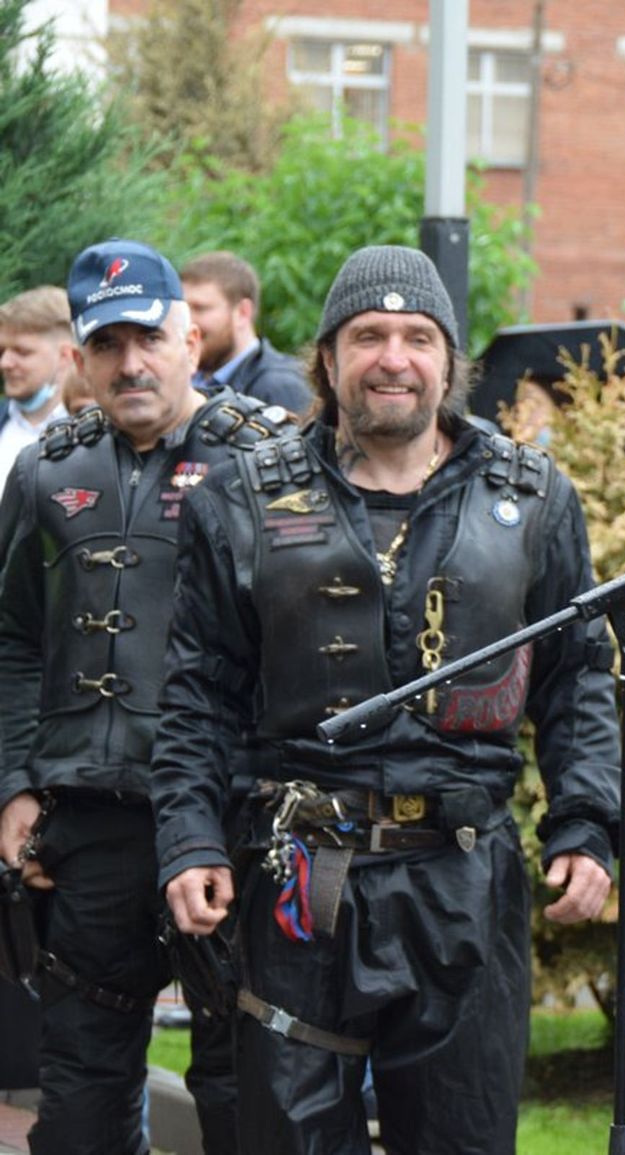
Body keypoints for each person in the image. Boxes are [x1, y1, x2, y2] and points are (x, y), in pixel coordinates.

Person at [151, 245, 621, 1152]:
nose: (393, 358)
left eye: (417, 336)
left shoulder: (532, 498)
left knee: (461, 1137)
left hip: (465, 881)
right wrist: (189, 838)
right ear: (328, 358)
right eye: (368, 335)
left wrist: (586, 823)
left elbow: (578, 679)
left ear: (450, 361)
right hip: (298, 884)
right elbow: (197, 692)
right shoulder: (241, 500)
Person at [0, 238, 294, 1154]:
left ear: (191, 337)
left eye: (150, 339)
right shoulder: (47, 471)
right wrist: (14, 781)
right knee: (82, 1092)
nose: (131, 363)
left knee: (240, 1082)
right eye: (108, 344)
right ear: (80, 360)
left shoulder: (272, 462)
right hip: (92, 827)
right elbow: (12, 636)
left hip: (232, 817)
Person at [180, 250, 313, 413]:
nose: (188, 322)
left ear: (243, 312)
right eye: (184, 310)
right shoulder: (187, 382)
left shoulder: (279, 388)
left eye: (200, 308)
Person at [0, 287, 76, 497]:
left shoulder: (97, 432)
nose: (5, 363)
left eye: (22, 352)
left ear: (65, 355)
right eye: (2, 351)